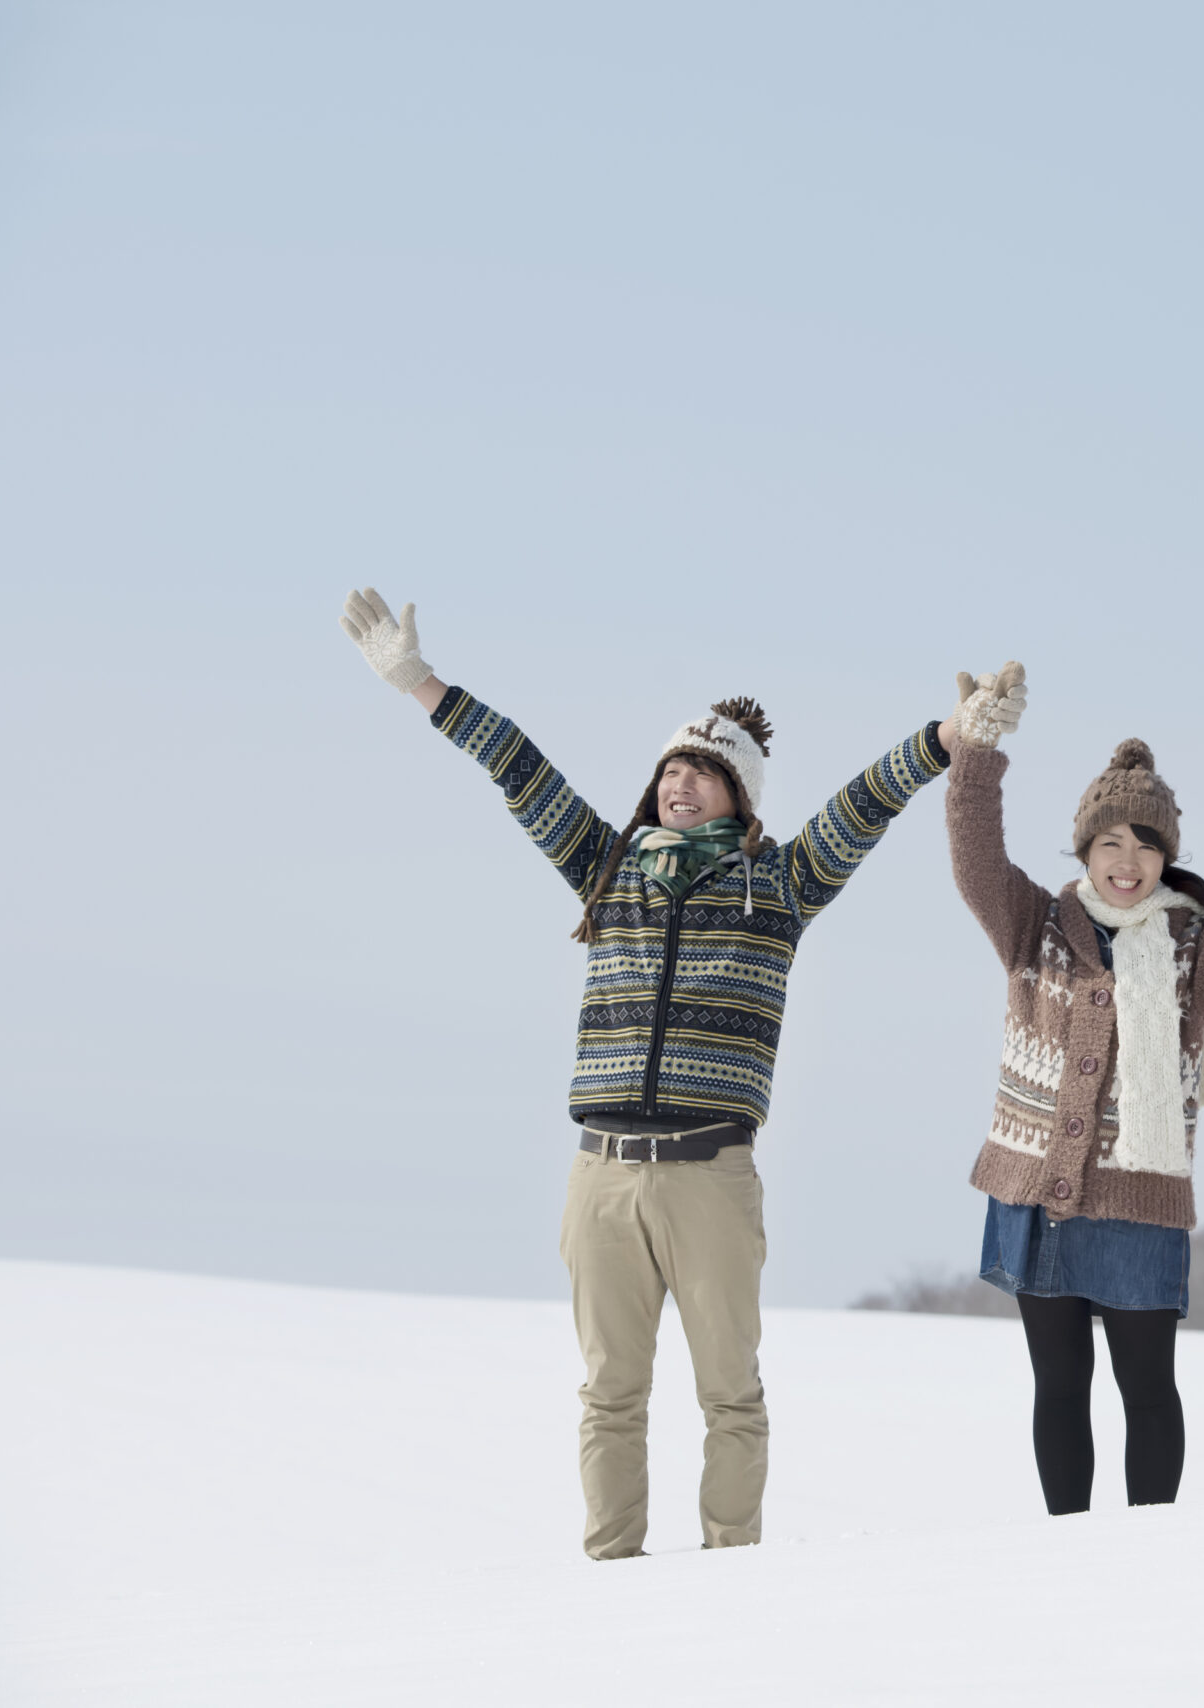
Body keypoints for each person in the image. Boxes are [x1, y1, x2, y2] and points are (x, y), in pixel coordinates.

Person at [336, 588, 967, 1558]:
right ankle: (611, 1582)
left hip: (709, 1174)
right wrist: (419, 683)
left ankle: (730, 1576)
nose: (680, 783)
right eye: (671, 767)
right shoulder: (606, 867)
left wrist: (940, 737)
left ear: (739, 797)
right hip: (602, 1175)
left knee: (730, 1395)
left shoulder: (779, 886)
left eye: (704, 773)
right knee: (609, 1395)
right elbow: (520, 771)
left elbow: (862, 805)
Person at [937, 662, 1204, 1514]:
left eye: (1146, 845)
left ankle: (1154, 1553)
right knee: (1058, 1387)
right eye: (1111, 843)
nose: (1128, 860)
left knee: (1148, 1389)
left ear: (1166, 857)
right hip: (1038, 1190)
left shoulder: (1191, 946)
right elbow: (975, 858)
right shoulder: (1034, 923)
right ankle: (1068, 1547)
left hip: (1139, 1197)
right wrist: (977, 752)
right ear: (1085, 851)